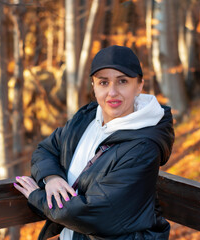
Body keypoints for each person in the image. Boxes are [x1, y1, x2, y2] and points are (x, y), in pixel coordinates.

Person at [14, 45, 175, 240]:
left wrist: (37, 198)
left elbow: (94, 212)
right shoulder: (87, 117)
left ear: (139, 85)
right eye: (103, 82)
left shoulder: (143, 146)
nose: (112, 92)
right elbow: (46, 149)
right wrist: (51, 177)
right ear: (93, 85)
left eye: (122, 81)